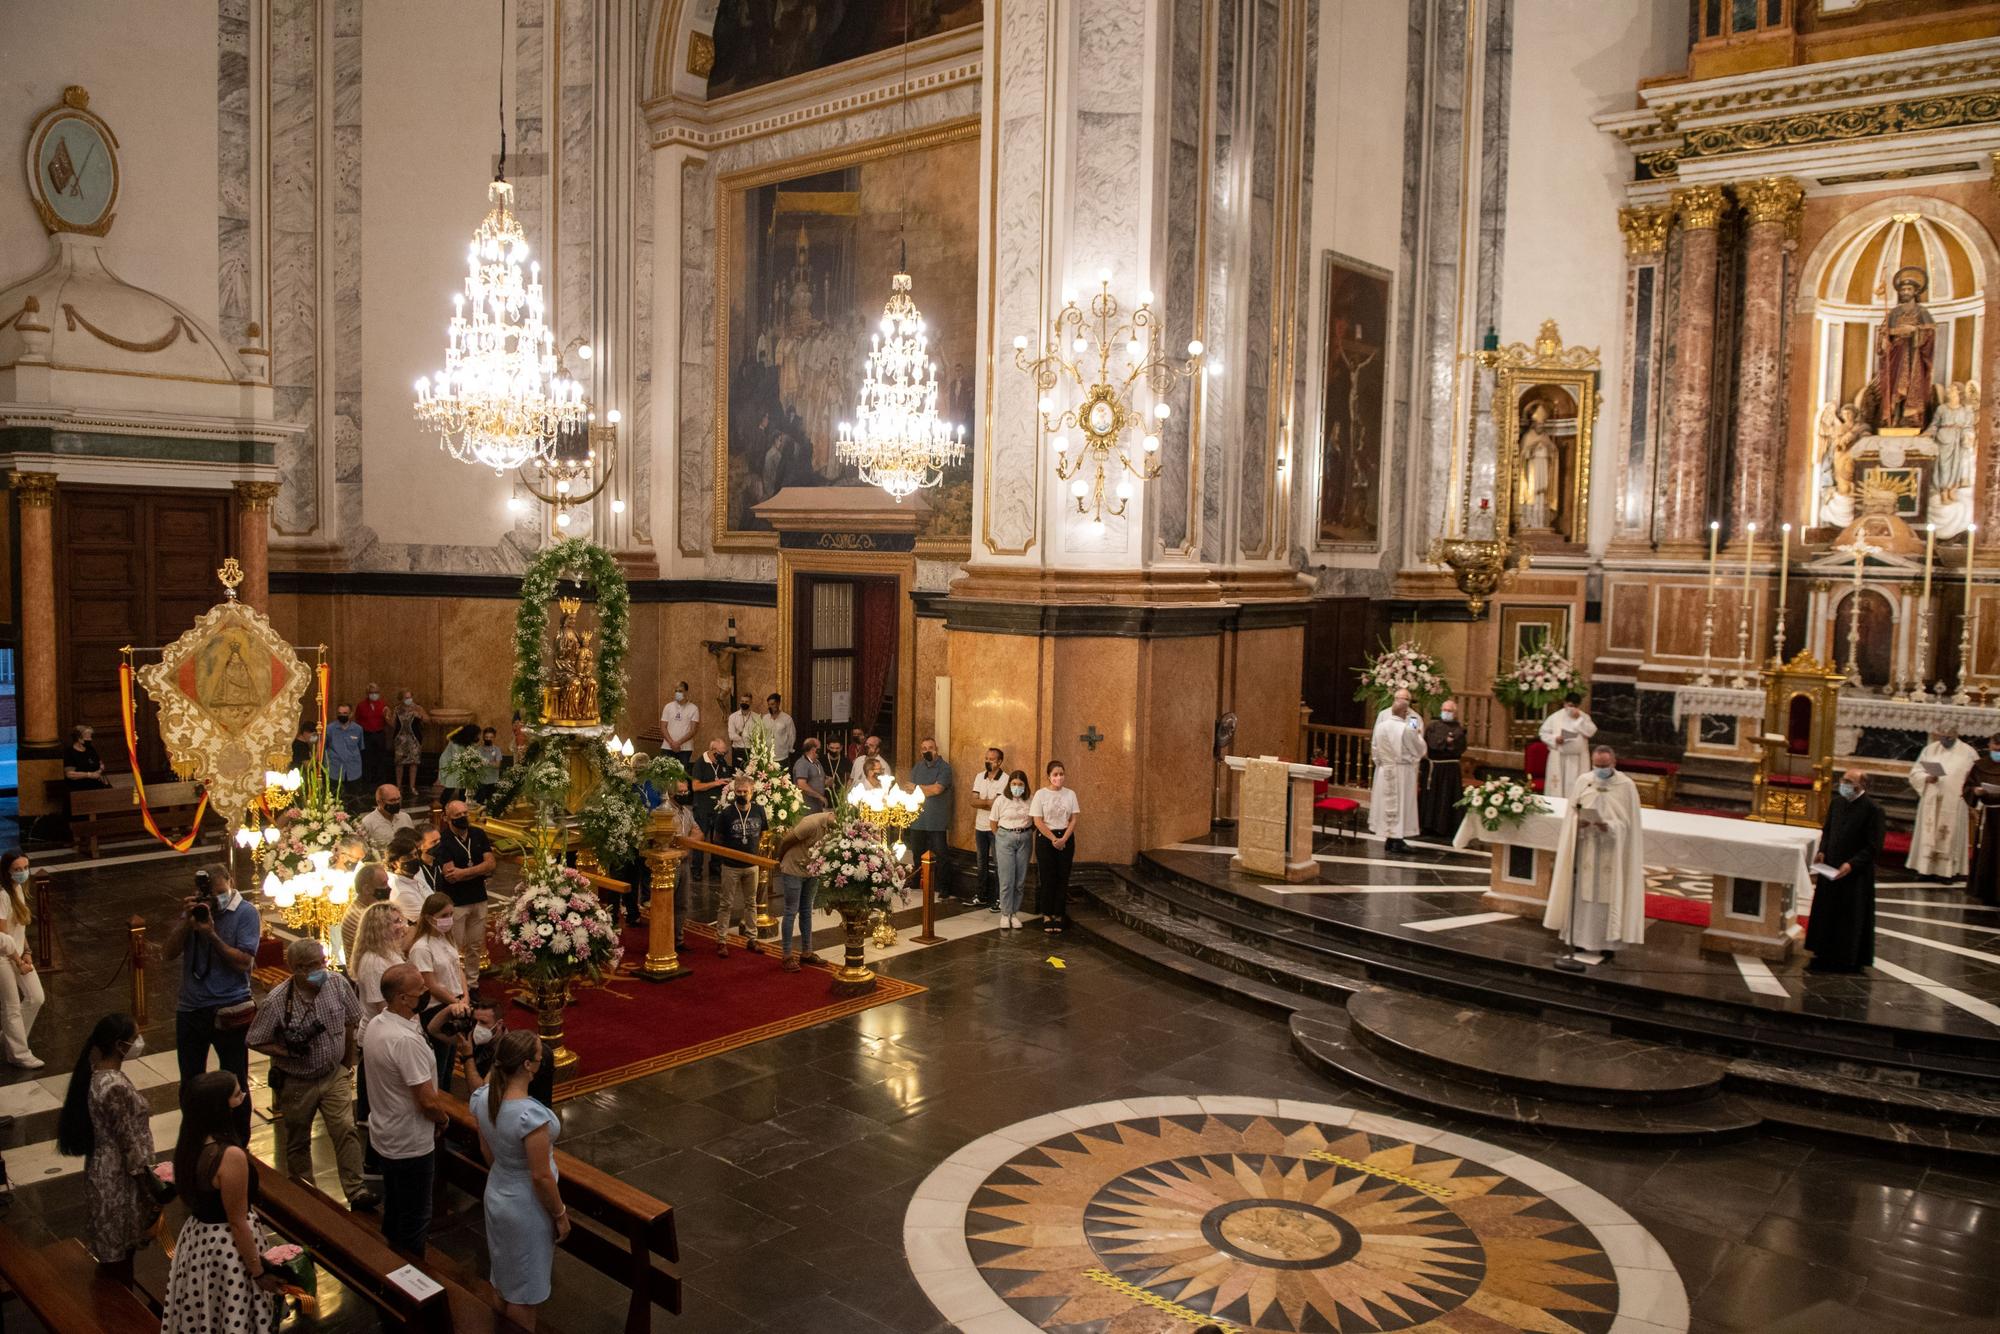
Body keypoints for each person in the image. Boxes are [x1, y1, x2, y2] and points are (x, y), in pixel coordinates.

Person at [246, 938, 375, 1210]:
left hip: (333, 1075)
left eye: (323, 962)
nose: (322, 969)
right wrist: (286, 1052)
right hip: (296, 1081)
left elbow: (352, 1020)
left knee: (345, 1130)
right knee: (297, 1138)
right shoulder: (278, 1001)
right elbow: (254, 1039)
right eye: (315, 965)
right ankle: (305, 1194)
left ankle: (356, 1190)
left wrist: (346, 1062)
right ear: (298, 969)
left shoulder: (337, 984)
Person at [161, 1071, 284, 1332]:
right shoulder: (229, 1156)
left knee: (206, 1312)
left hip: (197, 1240)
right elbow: (237, 1221)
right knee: (234, 1318)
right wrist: (258, 1271)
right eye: (238, 1094)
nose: (244, 1097)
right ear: (221, 1108)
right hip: (227, 1249)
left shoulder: (190, 1142)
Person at [471, 1031, 567, 1328]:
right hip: (527, 1206)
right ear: (529, 1065)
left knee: (505, 1279)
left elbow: (486, 1147)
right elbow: (540, 1176)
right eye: (540, 1057)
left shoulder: (484, 1097)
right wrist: (560, 1214)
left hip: (498, 1190)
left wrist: (506, 1172)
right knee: (524, 1292)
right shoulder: (529, 1116)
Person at [363, 963, 459, 1257]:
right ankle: (409, 1279)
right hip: (410, 1141)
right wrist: (442, 1120)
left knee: (394, 1207)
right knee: (416, 1218)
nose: (426, 993)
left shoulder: (380, 1023)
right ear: (403, 998)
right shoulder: (404, 1041)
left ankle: (389, 1263)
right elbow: (427, 1100)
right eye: (420, 990)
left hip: (386, 1132)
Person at [57, 1013, 159, 1281]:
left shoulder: (98, 1073)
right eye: (134, 1038)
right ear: (119, 1045)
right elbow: (128, 1141)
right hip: (117, 1176)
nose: (138, 1042)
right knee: (120, 1256)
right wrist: (152, 1187)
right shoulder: (113, 1086)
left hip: (105, 1167)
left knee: (115, 1252)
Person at [166, 864, 258, 1139]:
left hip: (230, 1007)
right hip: (191, 1008)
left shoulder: (246, 913)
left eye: (220, 892)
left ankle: (238, 1142)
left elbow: (243, 963)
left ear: (231, 881)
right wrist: (187, 922)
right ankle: (195, 1139)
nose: (216, 899)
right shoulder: (196, 911)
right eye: (210, 894)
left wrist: (211, 935)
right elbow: (168, 953)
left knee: (235, 1080)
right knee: (191, 1082)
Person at [1544, 746, 1645, 967]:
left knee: (1608, 897)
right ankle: (1578, 941)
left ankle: (1608, 946)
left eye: (1604, 766)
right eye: (1596, 766)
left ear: (1614, 763)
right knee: (1582, 895)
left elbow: (1630, 824)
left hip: (1612, 852)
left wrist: (1609, 826)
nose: (1599, 770)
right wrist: (1577, 824)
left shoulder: (1626, 786)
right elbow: (1572, 812)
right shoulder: (1584, 781)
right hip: (1586, 848)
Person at [349, 901, 409, 1187]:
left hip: (393, 1029)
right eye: (394, 923)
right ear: (378, 929)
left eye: (401, 920)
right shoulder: (373, 961)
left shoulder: (389, 953)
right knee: (379, 1105)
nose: (402, 927)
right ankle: (374, 1162)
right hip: (379, 1034)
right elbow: (380, 1002)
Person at [1808, 768, 1884, 973]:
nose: (1844, 784)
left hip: (1855, 874)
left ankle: (1847, 956)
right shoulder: (1837, 803)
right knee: (1826, 911)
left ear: (1862, 786)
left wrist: (1852, 864)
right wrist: (1822, 850)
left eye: (1849, 781)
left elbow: (1873, 846)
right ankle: (1822, 950)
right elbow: (1828, 830)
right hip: (1830, 868)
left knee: (1849, 916)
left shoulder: (1873, 810)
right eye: (1843, 779)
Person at [409, 893, 470, 1090]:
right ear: (428, 918)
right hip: (436, 1009)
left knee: (452, 1059)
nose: (449, 919)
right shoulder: (421, 948)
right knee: (439, 1062)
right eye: (444, 915)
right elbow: (431, 984)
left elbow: (457, 968)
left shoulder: (445, 938)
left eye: (451, 914)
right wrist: (456, 1002)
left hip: (454, 1003)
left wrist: (465, 997)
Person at [436, 799, 496, 991]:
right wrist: (479, 870)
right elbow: (451, 876)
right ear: (447, 819)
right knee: (453, 948)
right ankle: (454, 986)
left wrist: (465, 873)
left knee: (475, 945)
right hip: (456, 903)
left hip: (479, 897)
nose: (462, 818)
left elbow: (491, 864)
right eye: (457, 816)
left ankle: (472, 984)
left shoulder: (478, 834)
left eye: (465, 814)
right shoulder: (443, 840)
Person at [1907, 727, 1974, 881]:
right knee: (1928, 831)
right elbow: (1915, 772)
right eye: (1942, 736)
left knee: (1948, 834)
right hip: (1932, 799)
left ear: (1957, 735)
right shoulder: (1930, 750)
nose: (1945, 740)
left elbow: (1974, 778)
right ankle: (1925, 869)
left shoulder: (1968, 752)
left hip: (1954, 801)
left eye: (1949, 737)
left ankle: (1946, 872)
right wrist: (1926, 778)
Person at [712, 775, 768, 957]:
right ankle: (721, 940)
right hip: (731, 866)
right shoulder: (726, 814)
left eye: (745, 792)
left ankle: (752, 938)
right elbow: (717, 840)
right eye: (738, 791)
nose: (742, 794)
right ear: (733, 792)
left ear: (752, 792)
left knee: (751, 903)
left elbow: (763, 834)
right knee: (726, 903)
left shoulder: (759, 810)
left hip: (752, 865)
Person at [774, 810, 835, 970]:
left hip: (812, 871)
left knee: (807, 910)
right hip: (793, 869)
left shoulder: (834, 828)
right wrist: (780, 859)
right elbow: (787, 840)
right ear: (833, 814)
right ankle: (787, 955)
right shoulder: (811, 823)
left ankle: (807, 952)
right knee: (790, 911)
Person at [0, 851, 44, 1068]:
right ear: (7, 871)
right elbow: (3, 937)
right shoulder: (2, 895)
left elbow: (19, 929)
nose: (23, 873)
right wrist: (19, 961)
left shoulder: (18, 889)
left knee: (36, 997)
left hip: (18, 954)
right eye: (17, 869)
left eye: (25, 868)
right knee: (11, 1006)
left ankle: (11, 1037)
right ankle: (18, 1053)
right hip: (3, 957)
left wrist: (27, 953)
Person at [1369, 689, 1425, 854]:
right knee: (1399, 804)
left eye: (1405, 698)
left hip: (1386, 770)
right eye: (1400, 698)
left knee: (1389, 804)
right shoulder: (1395, 722)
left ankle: (1391, 838)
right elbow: (1417, 745)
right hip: (1399, 770)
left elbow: (1377, 743)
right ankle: (1395, 839)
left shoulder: (1413, 719)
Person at [1030, 761, 1080, 934]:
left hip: (1066, 838)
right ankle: (1047, 914)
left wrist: (1064, 838)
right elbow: (1037, 820)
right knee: (1047, 876)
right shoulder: (1040, 794)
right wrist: (1053, 839)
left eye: (1061, 774)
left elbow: (1073, 818)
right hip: (1046, 838)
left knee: (1062, 876)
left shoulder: (1070, 794)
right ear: (1049, 776)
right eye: (1055, 774)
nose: (1059, 777)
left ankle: (1059, 914)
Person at [907, 737, 954, 894]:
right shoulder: (918, 767)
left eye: (930, 747)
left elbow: (937, 790)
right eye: (924, 748)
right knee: (917, 852)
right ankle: (916, 881)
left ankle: (944, 886)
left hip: (936, 819)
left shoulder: (945, 768)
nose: (927, 750)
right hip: (917, 818)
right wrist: (925, 788)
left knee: (941, 854)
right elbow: (909, 788)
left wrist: (918, 788)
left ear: (936, 749)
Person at [991, 768, 1035, 929]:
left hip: (1024, 838)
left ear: (1025, 785)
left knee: (1020, 879)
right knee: (1006, 878)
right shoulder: (1001, 800)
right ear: (1009, 785)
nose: (1017, 787)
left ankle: (1014, 913)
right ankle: (1005, 913)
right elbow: (993, 823)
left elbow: (1035, 820)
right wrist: (1002, 838)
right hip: (1005, 837)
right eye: (1014, 784)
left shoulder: (1030, 799)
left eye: (1020, 784)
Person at [1420, 701, 1468, 837]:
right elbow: (1431, 743)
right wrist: (1445, 742)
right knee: (1432, 798)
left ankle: (1446, 827)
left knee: (1447, 796)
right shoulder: (1433, 726)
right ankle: (1428, 825)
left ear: (1455, 713)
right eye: (1444, 709)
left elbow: (1460, 746)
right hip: (1434, 768)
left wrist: (1446, 743)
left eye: (1450, 710)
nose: (1446, 712)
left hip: (1450, 769)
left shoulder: (1459, 728)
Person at [1537, 694, 1597, 802]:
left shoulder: (1583, 717)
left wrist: (1579, 720)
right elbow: (1543, 733)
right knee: (1558, 787)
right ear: (1564, 703)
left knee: (1575, 785)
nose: (1572, 708)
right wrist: (1555, 739)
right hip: (1559, 757)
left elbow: (1590, 732)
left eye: (1575, 706)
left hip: (1578, 758)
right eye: (1570, 705)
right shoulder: (1555, 717)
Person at [687, 738, 731, 882]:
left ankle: (715, 866)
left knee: (718, 838)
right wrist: (715, 783)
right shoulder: (700, 763)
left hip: (719, 806)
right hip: (703, 807)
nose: (723, 756)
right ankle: (696, 869)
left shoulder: (722, 763)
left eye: (725, 753)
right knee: (701, 838)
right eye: (721, 753)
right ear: (713, 751)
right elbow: (695, 786)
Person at [970, 748, 1008, 911]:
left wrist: (984, 802)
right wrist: (988, 802)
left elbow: (997, 804)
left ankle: (999, 898)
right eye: (986, 758)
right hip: (980, 826)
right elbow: (973, 801)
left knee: (999, 863)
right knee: (981, 862)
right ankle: (981, 895)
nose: (988, 761)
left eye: (992, 759)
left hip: (996, 827)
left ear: (999, 762)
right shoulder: (980, 776)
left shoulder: (1005, 779)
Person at [339, 863, 391, 972]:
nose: (388, 888)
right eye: (383, 884)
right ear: (367, 889)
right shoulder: (361, 916)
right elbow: (392, 945)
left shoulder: (372, 907)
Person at [1966, 738, 2000, 906]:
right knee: (1986, 853)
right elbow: (1968, 786)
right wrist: (1975, 791)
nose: (1998, 750)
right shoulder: (1980, 765)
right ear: (1989, 745)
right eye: (1996, 746)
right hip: (1988, 816)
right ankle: (1984, 891)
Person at [385, 828, 430, 919]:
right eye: (408, 857)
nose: (414, 859)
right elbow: (425, 919)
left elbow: (431, 896)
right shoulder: (400, 891)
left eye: (415, 854)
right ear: (394, 864)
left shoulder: (416, 872)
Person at [359, 783, 415, 855]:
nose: (397, 803)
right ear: (379, 801)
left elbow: (413, 841)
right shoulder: (368, 822)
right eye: (392, 800)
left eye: (398, 799)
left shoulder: (405, 817)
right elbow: (365, 850)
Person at [325, 704, 365, 801]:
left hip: (353, 770)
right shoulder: (329, 729)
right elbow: (324, 747)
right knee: (334, 799)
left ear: (351, 714)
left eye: (345, 713)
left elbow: (360, 746)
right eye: (339, 713)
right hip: (334, 770)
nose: (342, 715)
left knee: (353, 799)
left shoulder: (358, 729)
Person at [392, 691, 427, 799]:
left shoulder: (418, 708)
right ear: (401, 699)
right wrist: (387, 717)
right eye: (406, 697)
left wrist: (420, 716)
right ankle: (398, 787)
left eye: (410, 697)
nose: (409, 699)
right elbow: (393, 724)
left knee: (414, 762)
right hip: (400, 738)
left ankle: (412, 787)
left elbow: (427, 719)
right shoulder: (397, 709)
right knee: (399, 763)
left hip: (414, 738)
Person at [356, 683, 390, 788]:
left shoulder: (383, 705)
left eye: (376, 692)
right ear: (367, 693)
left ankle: (380, 781)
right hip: (366, 734)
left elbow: (387, 720)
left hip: (379, 733)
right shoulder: (361, 705)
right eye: (372, 692)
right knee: (367, 758)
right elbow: (357, 720)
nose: (374, 694)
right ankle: (367, 781)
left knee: (380, 758)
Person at [436, 724, 479, 804]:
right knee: (451, 785)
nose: (477, 737)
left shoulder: (469, 742)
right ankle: (442, 805)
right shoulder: (455, 743)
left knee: (463, 785)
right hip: (449, 763)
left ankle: (461, 804)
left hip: (461, 763)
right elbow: (457, 756)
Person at [660, 681, 699, 764]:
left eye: (680, 691)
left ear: (686, 692)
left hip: (685, 748)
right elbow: (663, 727)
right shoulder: (668, 706)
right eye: (676, 691)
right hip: (667, 747)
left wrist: (678, 743)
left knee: (681, 774)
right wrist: (671, 743)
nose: (677, 693)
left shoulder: (693, 708)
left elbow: (693, 730)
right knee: (666, 773)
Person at [63, 723, 110, 791]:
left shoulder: (90, 748)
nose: (90, 739)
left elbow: (100, 763)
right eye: (88, 738)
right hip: (79, 787)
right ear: (79, 739)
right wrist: (89, 775)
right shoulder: (69, 752)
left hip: (96, 783)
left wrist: (100, 770)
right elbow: (70, 774)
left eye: (90, 737)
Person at [791, 736, 828, 809]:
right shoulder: (802, 764)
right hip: (806, 808)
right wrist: (820, 796)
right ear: (813, 749)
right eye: (819, 749)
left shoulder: (817, 763)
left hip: (817, 807)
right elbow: (801, 785)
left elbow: (817, 779)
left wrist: (826, 781)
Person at [761, 693, 796, 764]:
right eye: (769, 704)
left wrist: (788, 750)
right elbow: (762, 735)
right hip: (767, 756)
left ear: (778, 703)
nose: (770, 706)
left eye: (773, 704)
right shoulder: (765, 718)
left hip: (782, 756)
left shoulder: (787, 718)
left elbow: (791, 736)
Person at [474, 726, 505, 806]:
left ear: (494, 738)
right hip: (481, 781)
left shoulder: (497, 750)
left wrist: (486, 762)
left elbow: (497, 765)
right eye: (486, 737)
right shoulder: (479, 750)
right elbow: (476, 765)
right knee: (479, 803)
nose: (488, 739)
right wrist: (491, 762)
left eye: (491, 737)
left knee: (492, 804)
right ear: (483, 737)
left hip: (493, 781)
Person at [726, 693, 756, 768]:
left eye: (746, 701)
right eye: (742, 701)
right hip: (737, 751)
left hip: (752, 751)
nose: (744, 703)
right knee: (738, 776)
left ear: (751, 702)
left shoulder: (756, 717)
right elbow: (731, 736)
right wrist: (748, 736)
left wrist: (740, 735)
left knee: (751, 776)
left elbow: (757, 736)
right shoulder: (733, 717)